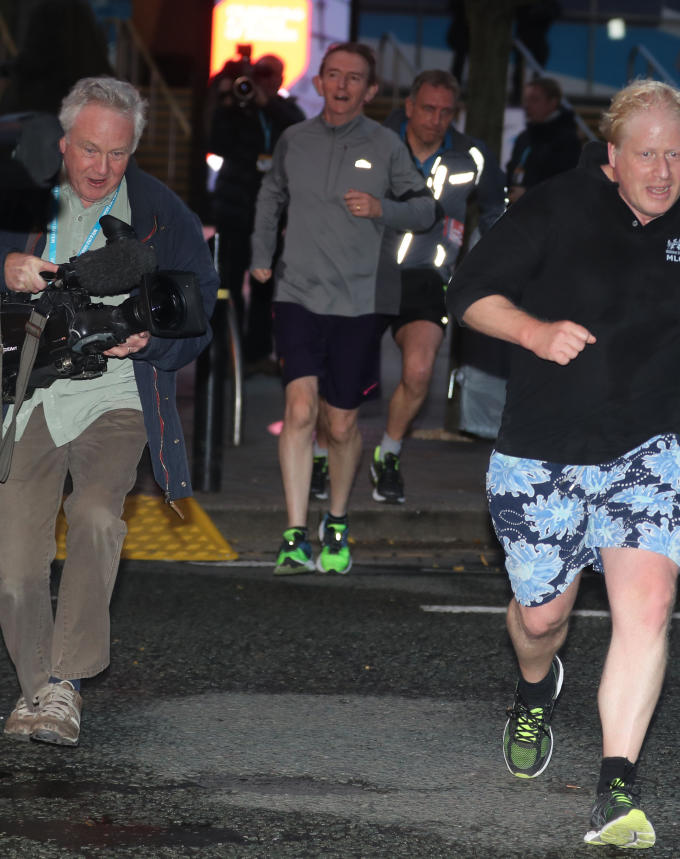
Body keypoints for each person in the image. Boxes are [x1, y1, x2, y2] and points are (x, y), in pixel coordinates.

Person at [446, 79, 680, 848]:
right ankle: (534, 686)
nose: (663, 170)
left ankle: (615, 788)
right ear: (613, 157)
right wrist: (533, 332)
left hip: (649, 447)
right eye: (647, 154)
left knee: (648, 606)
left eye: (677, 154)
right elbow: (469, 293)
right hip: (541, 451)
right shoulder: (557, 205)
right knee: (541, 616)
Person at [0, 77, 218, 746]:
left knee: (96, 514)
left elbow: (199, 315)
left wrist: (153, 340)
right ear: (64, 142)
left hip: (118, 393)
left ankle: (63, 684)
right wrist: (3, 264)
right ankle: (38, 688)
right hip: (32, 392)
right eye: (88, 149)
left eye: (118, 154)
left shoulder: (160, 212)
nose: (100, 168)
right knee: (14, 564)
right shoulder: (22, 193)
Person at [250, 43, 436, 575]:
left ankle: (335, 520)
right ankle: (293, 534)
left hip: (358, 299)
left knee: (342, 422)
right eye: (333, 75)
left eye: (354, 78)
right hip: (297, 293)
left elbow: (425, 209)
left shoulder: (385, 145)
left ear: (370, 90)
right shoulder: (294, 140)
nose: (342, 85)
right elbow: (270, 195)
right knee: (300, 411)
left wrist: (383, 208)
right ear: (319, 82)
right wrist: (262, 255)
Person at [362, 69, 504, 504]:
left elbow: (498, 214)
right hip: (364, 272)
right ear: (408, 107)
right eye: (427, 108)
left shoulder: (472, 155)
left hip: (427, 276)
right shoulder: (372, 141)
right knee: (342, 381)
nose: (435, 119)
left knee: (420, 370)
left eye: (446, 111)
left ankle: (389, 452)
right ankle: (320, 453)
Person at [208, 53, 305, 371]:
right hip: (234, 209)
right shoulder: (237, 108)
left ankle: (258, 352)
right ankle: (224, 350)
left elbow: (298, 131)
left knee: (264, 286)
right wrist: (227, 102)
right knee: (227, 284)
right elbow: (215, 143)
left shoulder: (284, 110)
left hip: (270, 214)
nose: (262, 79)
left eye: (269, 74)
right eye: (258, 74)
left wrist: (266, 102)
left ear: (280, 78)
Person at [505, 77, 581, 204]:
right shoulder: (524, 137)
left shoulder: (568, 140)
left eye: (534, 100)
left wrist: (528, 194)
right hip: (518, 212)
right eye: (526, 100)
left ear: (552, 103)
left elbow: (565, 184)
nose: (527, 105)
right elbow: (512, 169)